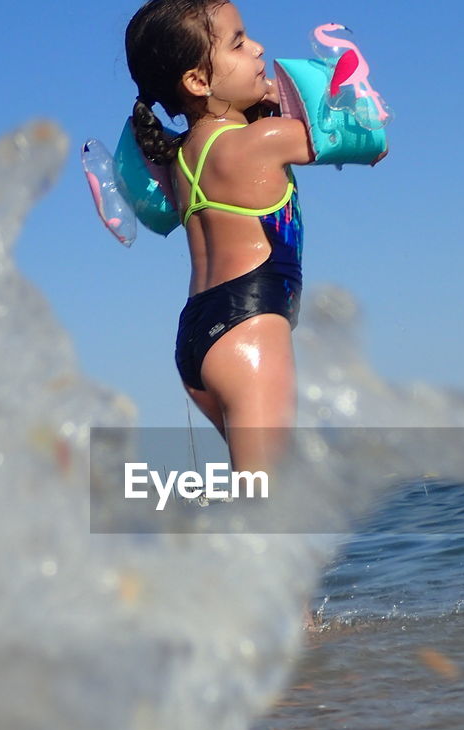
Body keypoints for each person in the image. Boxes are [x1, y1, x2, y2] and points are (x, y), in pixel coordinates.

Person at [126, 0, 314, 472]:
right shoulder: (260, 141)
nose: (258, 49)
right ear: (197, 81)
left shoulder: (181, 159)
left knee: (255, 506)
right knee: (269, 511)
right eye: (238, 42)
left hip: (196, 338)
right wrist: (281, 92)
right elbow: (363, 135)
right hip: (250, 325)